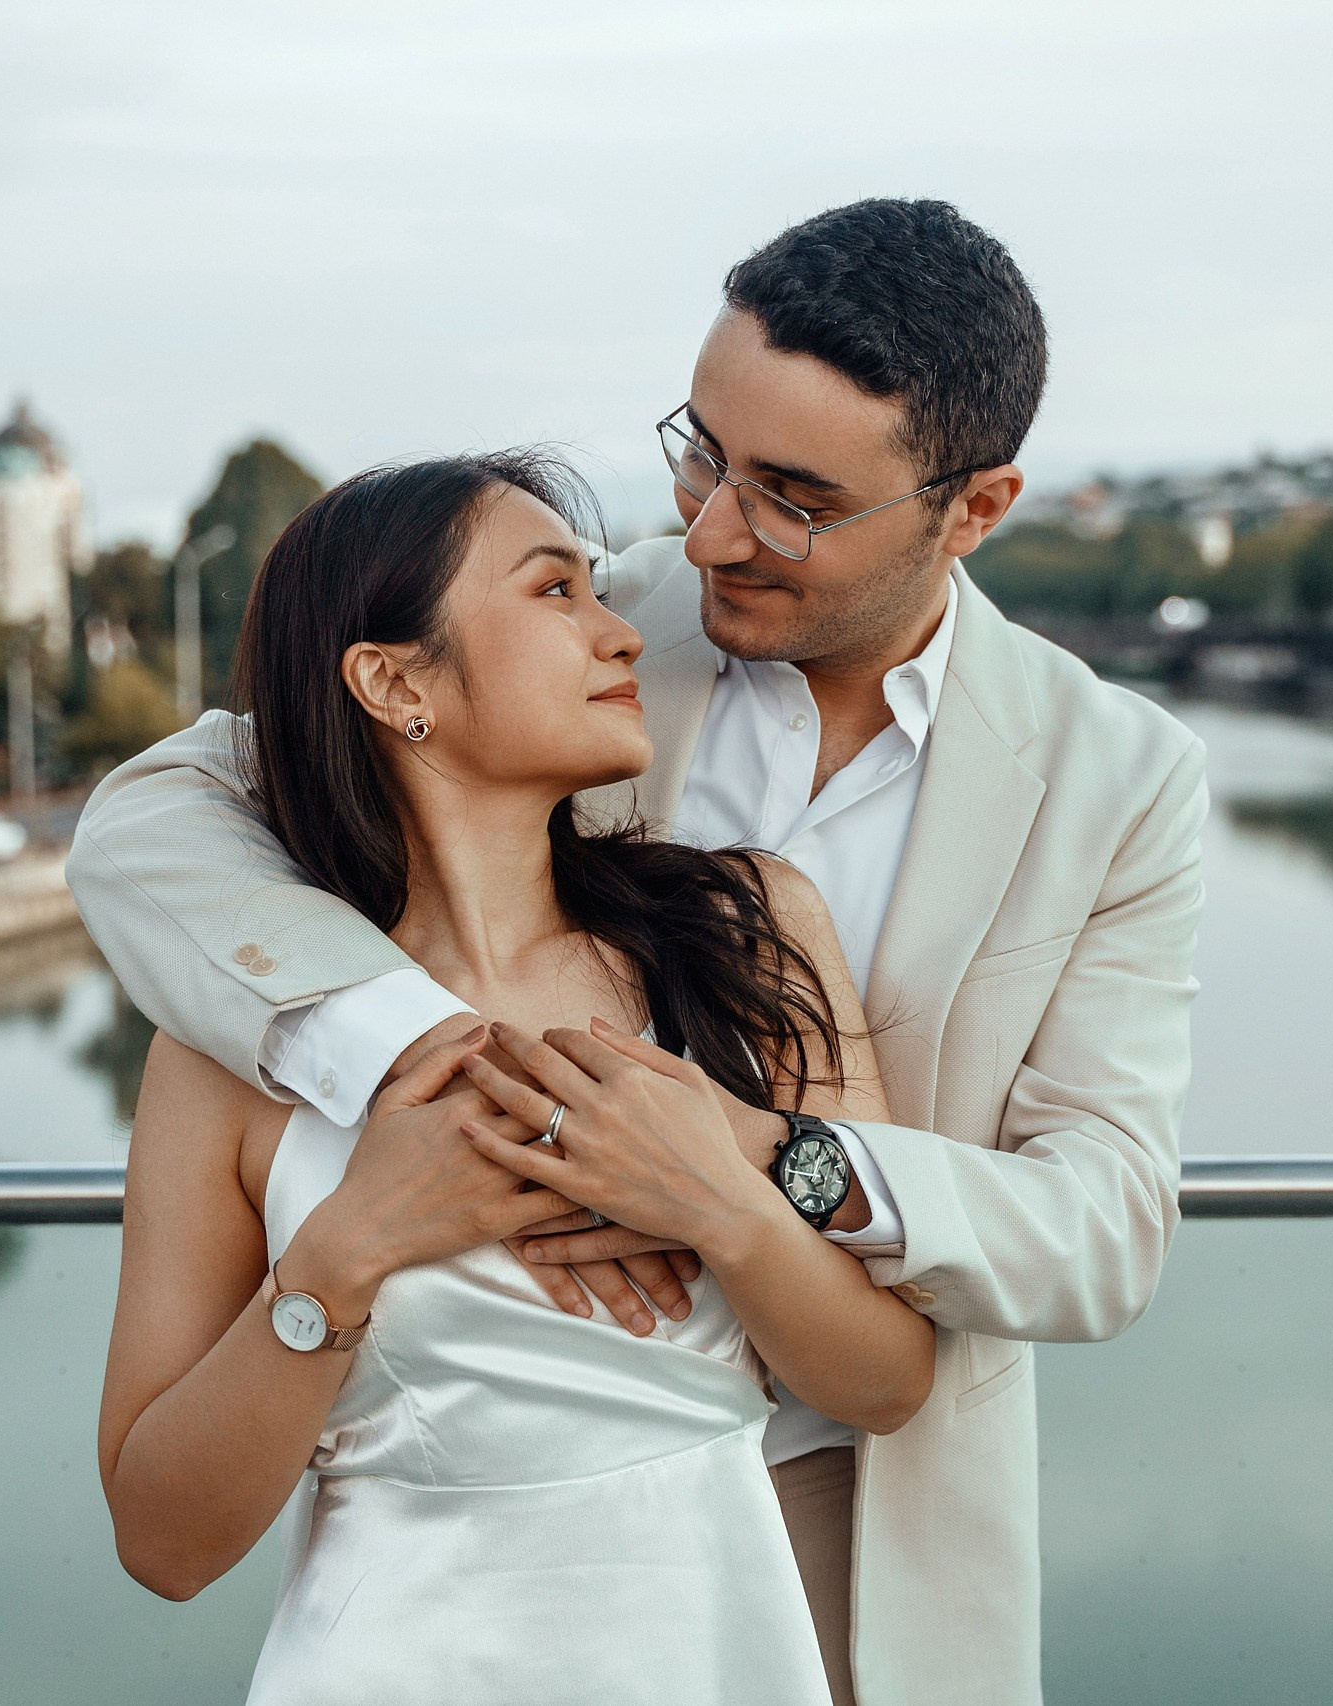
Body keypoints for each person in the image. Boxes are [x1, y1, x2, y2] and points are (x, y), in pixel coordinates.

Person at [72, 198, 1208, 1706]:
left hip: (865, 1510)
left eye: (793, 498)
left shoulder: (1117, 776)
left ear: (973, 507)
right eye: (702, 454)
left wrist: (748, 1159)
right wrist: (418, 1063)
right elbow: (153, 814)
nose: (712, 531)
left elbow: (1107, 1221)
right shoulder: (604, 625)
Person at [95, 452, 936, 1706]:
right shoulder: (230, 1054)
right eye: (554, 590)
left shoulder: (745, 932)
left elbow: (887, 1381)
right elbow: (163, 1544)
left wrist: (717, 1201)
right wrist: (349, 1249)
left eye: (597, 588)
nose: (619, 633)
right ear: (394, 682)